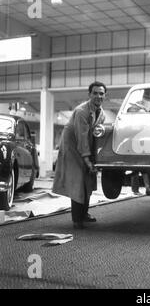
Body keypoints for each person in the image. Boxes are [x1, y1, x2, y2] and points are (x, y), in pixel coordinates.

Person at [52, 81, 106, 229]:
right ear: (89, 95)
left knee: (88, 180)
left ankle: (84, 213)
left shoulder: (102, 114)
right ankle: (77, 219)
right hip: (72, 147)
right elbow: (82, 137)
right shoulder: (82, 111)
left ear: (104, 95)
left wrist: (96, 158)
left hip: (85, 146)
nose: (98, 96)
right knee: (77, 181)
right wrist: (87, 160)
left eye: (101, 93)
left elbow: (97, 137)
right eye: (95, 93)